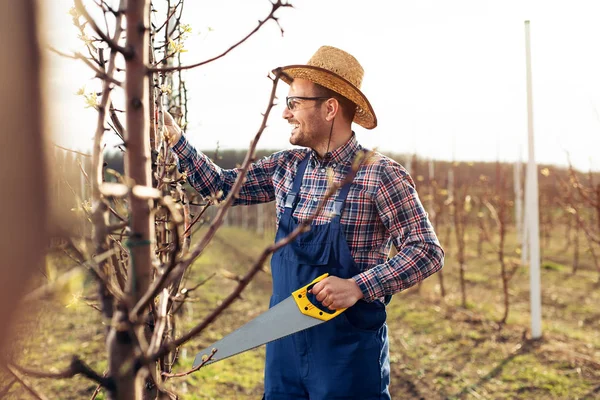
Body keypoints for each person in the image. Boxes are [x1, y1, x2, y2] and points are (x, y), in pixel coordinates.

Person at [164, 45, 444, 400]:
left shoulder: (380, 175)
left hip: (346, 354)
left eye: (294, 102)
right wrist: (176, 139)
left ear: (329, 108)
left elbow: (427, 251)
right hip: (284, 347)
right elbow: (220, 186)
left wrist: (358, 285)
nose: (284, 113)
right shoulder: (286, 166)